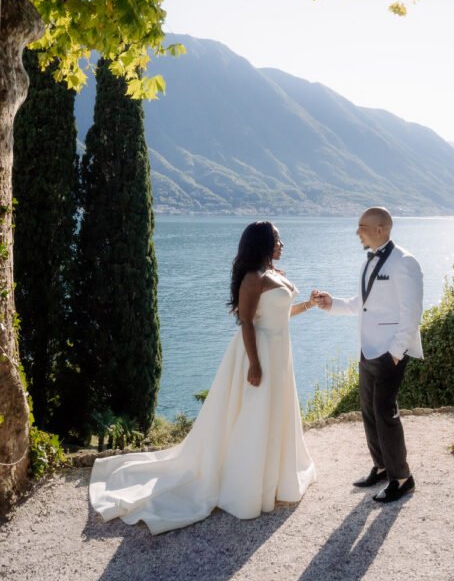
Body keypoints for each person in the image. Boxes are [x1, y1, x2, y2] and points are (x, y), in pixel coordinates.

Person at [89, 221, 317, 534]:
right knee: (255, 414)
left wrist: (310, 305)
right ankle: (248, 487)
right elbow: (247, 323)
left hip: (280, 353)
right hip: (260, 352)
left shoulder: (276, 274)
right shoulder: (253, 278)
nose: (282, 244)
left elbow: (280, 314)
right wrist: (254, 365)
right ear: (263, 243)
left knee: (275, 412)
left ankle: (273, 479)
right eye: (277, 239)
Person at [313, 207, 423, 504]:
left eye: (362, 226)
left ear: (381, 229)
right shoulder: (368, 262)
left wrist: (397, 352)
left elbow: (411, 312)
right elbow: (359, 304)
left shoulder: (405, 262)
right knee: (369, 410)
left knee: (385, 412)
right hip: (367, 349)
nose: (357, 231)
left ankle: (402, 478)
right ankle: (382, 466)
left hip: (390, 352)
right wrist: (330, 303)